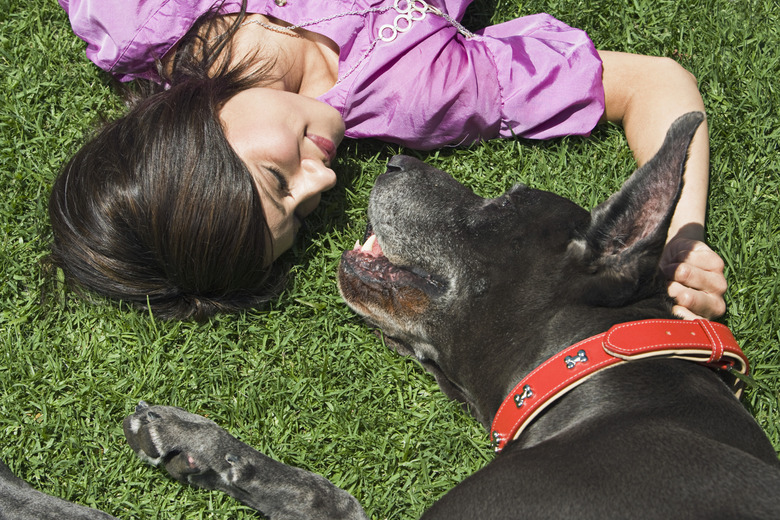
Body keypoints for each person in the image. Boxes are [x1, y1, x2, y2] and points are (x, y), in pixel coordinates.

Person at [52, 0, 727, 321]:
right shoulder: (419, 91)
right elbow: (653, 83)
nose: (323, 176)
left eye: (277, 178)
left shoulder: (136, 15)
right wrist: (679, 235)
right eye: (305, 207)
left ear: (190, 135)